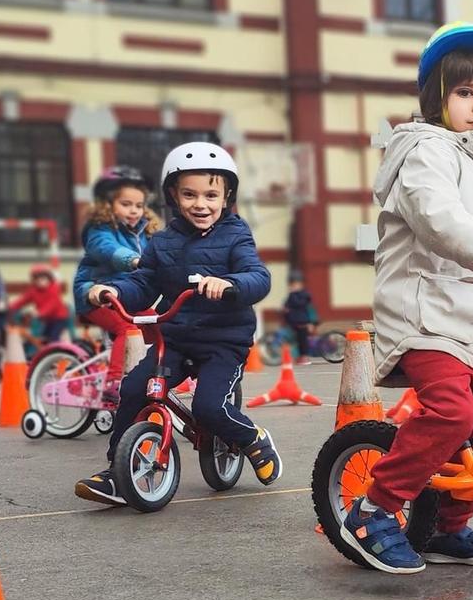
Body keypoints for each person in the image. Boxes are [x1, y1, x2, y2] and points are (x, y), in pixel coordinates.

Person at [340, 22, 473, 575]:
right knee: (451, 413)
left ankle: (444, 528)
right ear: (437, 98)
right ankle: (374, 509)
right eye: (465, 93)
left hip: (470, 327)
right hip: (424, 315)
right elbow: (439, 219)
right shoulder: (424, 151)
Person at [77, 143, 282, 503]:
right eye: (189, 194)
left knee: (209, 408)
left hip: (223, 341)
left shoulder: (236, 235)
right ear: (173, 195)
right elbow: (144, 283)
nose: (200, 204)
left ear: (226, 195)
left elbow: (258, 276)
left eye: (211, 194)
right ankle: (117, 474)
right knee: (134, 389)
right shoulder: (163, 241)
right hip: (175, 338)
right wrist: (111, 290)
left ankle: (251, 438)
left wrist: (231, 284)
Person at [74, 165, 160, 360]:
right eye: (126, 204)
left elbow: (160, 251)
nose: (134, 211)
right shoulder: (99, 230)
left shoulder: (145, 231)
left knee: (157, 324)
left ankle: (161, 373)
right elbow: (107, 249)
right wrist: (135, 260)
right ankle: (114, 382)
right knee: (126, 329)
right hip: (95, 294)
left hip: (128, 295)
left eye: (139, 206)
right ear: (108, 203)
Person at [8, 264, 71, 343]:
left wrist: (40, 313)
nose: (41, 282)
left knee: (53, 337)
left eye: (43, 279)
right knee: (43, 337)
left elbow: (52, 304)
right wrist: (11, 307)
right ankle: (46, 352)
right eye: (37, 280)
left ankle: (57, 352)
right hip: (46, 319)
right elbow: (23, 300)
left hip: (59, 318)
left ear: (49, 278)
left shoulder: (53, 288)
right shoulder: (34, 290)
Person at [282, 270, 319, 359]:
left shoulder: (303, 295)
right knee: (298, 339)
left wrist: (311, 323)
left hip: (302, 321)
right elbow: (287, 304)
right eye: (292, 285)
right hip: (294, 321)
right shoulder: (292, 295)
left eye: (295, 284)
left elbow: (299, 304)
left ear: (301, 285)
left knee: (303, 340)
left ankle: (304, 356)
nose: (293, 287)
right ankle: (300, 356)